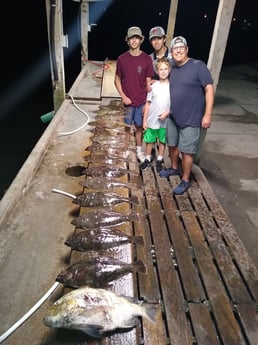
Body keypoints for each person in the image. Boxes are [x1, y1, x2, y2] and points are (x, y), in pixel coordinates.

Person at [160, 36, 214, 195]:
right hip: (174, 116)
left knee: (187, 152)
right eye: (175, 48)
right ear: (171, 52)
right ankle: (174, 168)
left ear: (186, 49)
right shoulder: (172, 68)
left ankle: (185, 180)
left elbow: (209, 90)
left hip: (191, 119)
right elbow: (159, 69)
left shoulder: (198, 66)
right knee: (172, 146)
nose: (178, 51)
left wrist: (207, 114)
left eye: (181, 48)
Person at [114, 26, 154, 163]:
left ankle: (138, 150)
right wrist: (123, 97)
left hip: (141, 100)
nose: (134, 40)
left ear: (141, 40)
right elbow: (117, 80)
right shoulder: (122, 59)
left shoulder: (147, 60)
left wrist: (150, 102)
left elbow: (149, 82)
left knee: (138, 127)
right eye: (132, 38)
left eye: (137, 38)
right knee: (126, 126)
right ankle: (125, 149)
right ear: (128, 40)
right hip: (127, 101)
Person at [140, 57, 171, 173]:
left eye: (165, 69)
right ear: (157, 72)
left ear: (169, 70)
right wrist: (144, 120)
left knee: (162, 141)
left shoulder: (172, 87)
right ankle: (148, 158)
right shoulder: (153, 87)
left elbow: (174, 104)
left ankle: (159, 159)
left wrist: (168, 112)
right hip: (152, 119)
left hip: (165, 120)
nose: (163, 71)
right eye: (160, 69)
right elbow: (148, 104)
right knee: (150, 140)